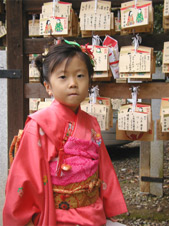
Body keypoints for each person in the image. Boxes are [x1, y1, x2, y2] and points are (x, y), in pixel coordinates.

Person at [3, 41, 127, 226]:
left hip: (93, 213)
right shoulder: (38, 126)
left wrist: (108, 206)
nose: (73, 83)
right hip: (57, 216)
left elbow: (104, 170)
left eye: (80, 75)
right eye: (63, 77)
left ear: (89, 81)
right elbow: (24, 177)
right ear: (48, 86)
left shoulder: (91, 123)